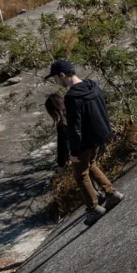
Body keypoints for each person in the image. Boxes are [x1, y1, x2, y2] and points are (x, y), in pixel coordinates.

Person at [45, 60, 124, 225]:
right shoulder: (92, 85)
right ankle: (111, 193)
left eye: (56, 79)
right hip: (100, 135)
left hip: (85, 141)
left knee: (80, 175)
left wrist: (73, 153)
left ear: (62, 75)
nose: (57, 83)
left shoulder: (72, 98)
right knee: (91, 165)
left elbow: (75, 128)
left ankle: (93, 208)